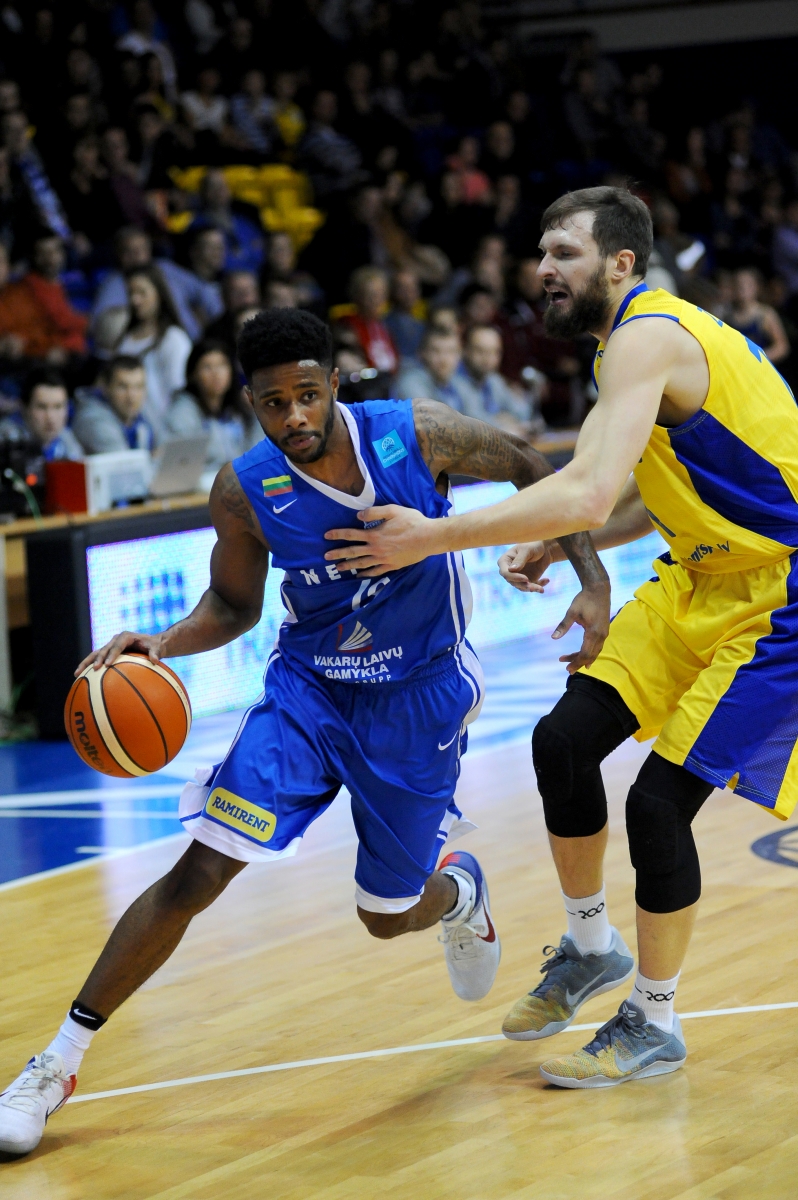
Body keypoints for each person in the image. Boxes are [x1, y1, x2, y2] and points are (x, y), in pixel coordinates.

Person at [0, 307, 609, 1156]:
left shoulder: (415, 435)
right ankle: (56, 1064)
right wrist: (163, 643)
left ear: (335, 384)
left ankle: (458, 892)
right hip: (308, 696)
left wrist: (591, 579)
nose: (293, 416)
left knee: (386, 914)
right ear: (249, 402)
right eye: (273, 402)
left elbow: (528, 466)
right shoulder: (243, 489)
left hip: (417, 700)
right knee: (200, 870)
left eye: (308, 395)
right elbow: (233, 604)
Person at [321, 185, 798, 1089]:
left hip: (783, 597)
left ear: (621, 263)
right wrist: (563, 545)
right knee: (564, 743)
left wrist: (430, 534)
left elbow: (584, 491)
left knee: (658, 805)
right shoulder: (629, 348)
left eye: (564, 253)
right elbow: (635, 494)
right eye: (541, 252)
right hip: (702, 579)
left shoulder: (649, 335)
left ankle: (655, 1019)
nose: (542, 268)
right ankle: (590, 947)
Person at [91, 227, 223, 344]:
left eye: (142, 249)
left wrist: (219, 321)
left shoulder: (166, 269)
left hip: (193, 341)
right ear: (118, 255)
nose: (137, 256)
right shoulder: (114, 284)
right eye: (129, 251)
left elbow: (203, 291)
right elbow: (100, 326)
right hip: (150, 348)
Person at [115, 265, 191, 434]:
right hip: (131, 429)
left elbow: (179, 393)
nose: (135, 300)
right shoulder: (124, 339)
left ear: (159, 294)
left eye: (142, 293)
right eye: (131, 293)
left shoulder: (174, 339)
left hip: (167, 430)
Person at [166, 340, 261, 472]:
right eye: (207, 367)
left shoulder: (237, 407)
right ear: (193, 374)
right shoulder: (183, 412)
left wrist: (258, 412)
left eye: (222, 365)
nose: (216, 373)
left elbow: (257, 451)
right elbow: (183, 464)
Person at [0, 233, 87, 363]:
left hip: (35, 358)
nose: (50, 258)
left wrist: (54, 347)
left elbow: (41, 329)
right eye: (43, 253)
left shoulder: (19, 294)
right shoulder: (30, 285)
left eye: (1, 261)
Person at [450, 325, 532, 433]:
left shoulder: (494, 380)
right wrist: (501, 423)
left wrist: (508, 420)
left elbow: (523, 413)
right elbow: (473, 421)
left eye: (495, 352)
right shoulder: (452, 381)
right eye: (480, 351)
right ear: (465, 350)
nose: (488, 358)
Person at [73, 356, 155, 454]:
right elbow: (124, 461)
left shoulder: (140, 416)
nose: (131, 396)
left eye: (138, 386)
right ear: (105, 387)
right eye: (123, 387)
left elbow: (164, 447)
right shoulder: (92, 420)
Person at [0, 367, 83, 462]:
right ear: (25, 408)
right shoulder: (5, 440)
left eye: (58, 407)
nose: (50, 417)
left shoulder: (66, 438)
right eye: (42, 407)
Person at [336, 266, 398, 376]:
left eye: (382, 295)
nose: (378, 301)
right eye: (372, 295)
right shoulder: (347, 325)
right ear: (358, 297)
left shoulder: (386, 324)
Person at [728, 267, 790, 365]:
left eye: (748, 284)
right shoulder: (727, 314)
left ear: (757, 287)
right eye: (739, 284)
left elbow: (782, 347)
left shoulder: (765, 314)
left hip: (758, 367)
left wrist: (759, 358)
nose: (742, 288)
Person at [395, 329, 463, 410]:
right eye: (436, 351)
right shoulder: (410, 381)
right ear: (423, 353)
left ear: (459, 355)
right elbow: (428, 414)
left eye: (450, 351)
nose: (443, 359)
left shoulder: (460, 383)